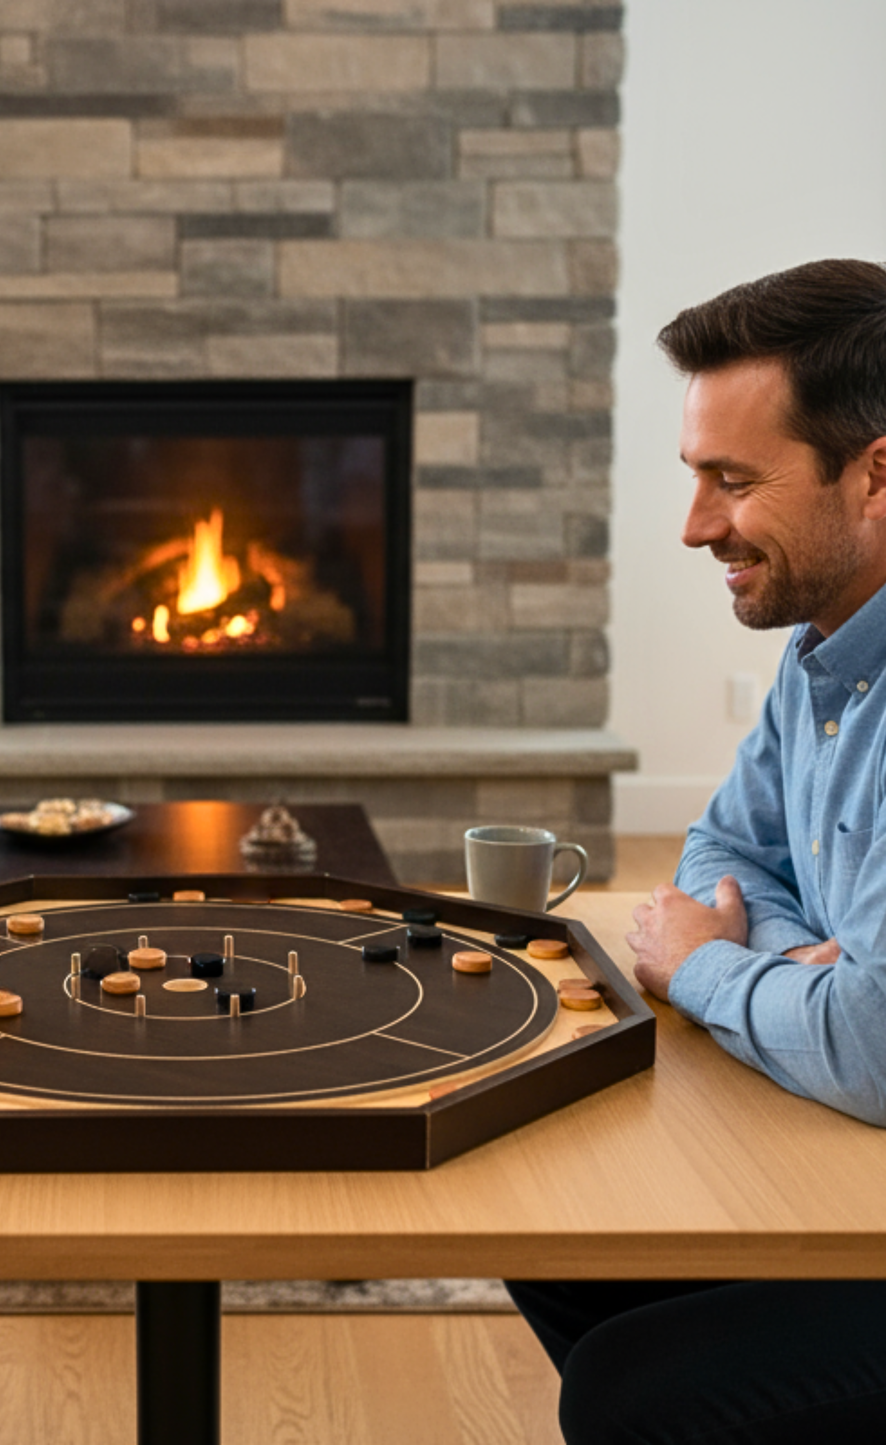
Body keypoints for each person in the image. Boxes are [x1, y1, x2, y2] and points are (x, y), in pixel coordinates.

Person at [509, 258, 886, 1442]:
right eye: (693, 476)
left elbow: (872, 1047)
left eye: (732, 481)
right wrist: (799, 964)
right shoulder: (824, 651)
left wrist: (706, 966)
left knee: (640, 1391)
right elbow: (722, 848)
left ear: (876, 474)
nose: (693, 525)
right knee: (549, 1226)